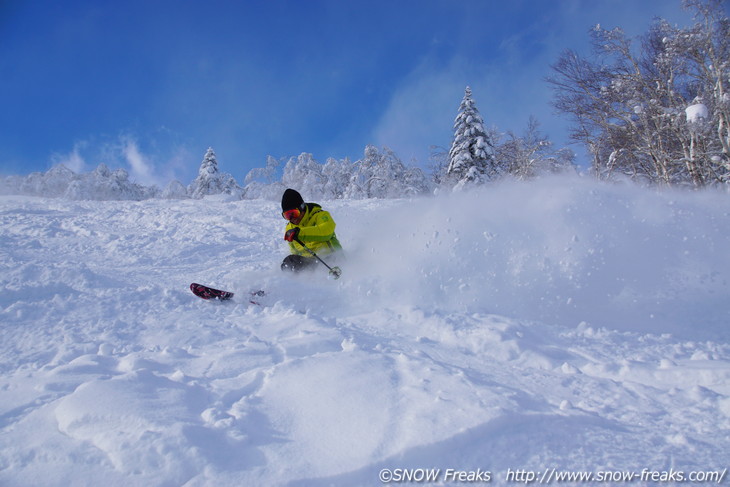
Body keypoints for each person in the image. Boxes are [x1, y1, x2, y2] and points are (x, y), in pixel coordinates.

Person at [280, 188, 342, 272]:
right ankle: (292, 283)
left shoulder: (320, 215)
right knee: (289, 262)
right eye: (287, 215)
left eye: (294, 213)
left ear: (302, 208)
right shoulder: (289, 227)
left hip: (331, 260)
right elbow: (294, 251)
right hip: (310, 263)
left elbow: (327, 231)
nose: (292, 219)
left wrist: (300, 233)